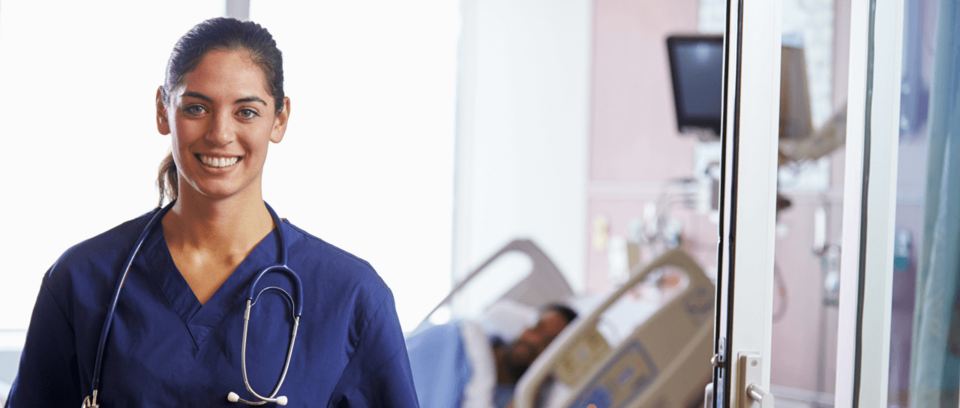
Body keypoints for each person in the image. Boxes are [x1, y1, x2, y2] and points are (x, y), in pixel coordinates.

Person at [4, 17, 418, 407]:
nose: (220, 134)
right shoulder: (82, 280)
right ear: (163, 110)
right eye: (196, 108)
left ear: (280, 119)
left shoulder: (351, 297)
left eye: (246, 111)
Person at [407, 303, 577, 408]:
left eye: (548, 344)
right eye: (537, 327)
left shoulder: (517, 399)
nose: (534, 341)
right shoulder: (458, 338)